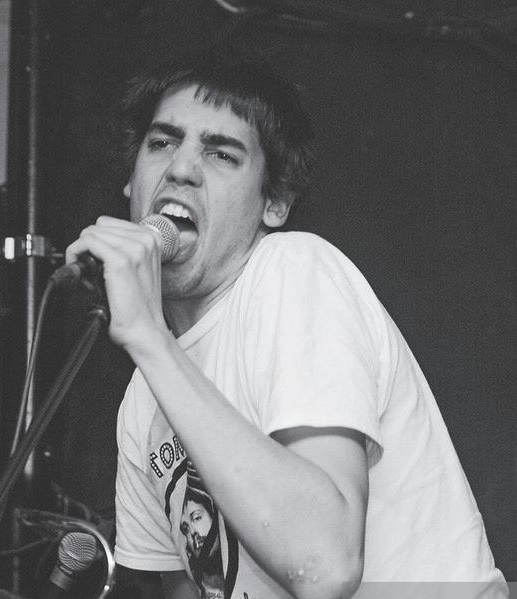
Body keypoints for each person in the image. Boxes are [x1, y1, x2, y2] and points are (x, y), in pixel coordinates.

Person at [65, 47, 508, 599]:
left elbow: (326, 567)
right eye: (161, 143)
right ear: (131, 184)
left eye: (221, 154)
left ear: (273, 204)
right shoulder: (144, 399)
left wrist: (148, 337)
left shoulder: (293, 270)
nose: (180, 168)